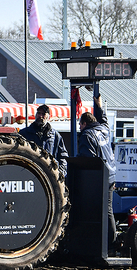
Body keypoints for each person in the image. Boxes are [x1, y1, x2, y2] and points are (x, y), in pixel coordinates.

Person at [78, 95, 117, 250]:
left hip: (99, 178)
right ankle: (111, 241)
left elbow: (87, 158)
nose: (79, 128)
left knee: (100, 211)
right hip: (111, 175)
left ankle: (108, 243)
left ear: (84, 123)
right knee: (109, 210)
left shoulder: (87, 135)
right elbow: (104, 120)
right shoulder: (104, 129)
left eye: (80, 125)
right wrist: (99, 106)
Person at [19, 104, 69, 177]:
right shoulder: (25, 133)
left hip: (49, 174)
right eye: (39, 113)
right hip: (30, 173)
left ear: (48, 116)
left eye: (43, 114)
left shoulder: (55, 135)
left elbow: (63, 156)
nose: (40, 116)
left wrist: (61, 172)